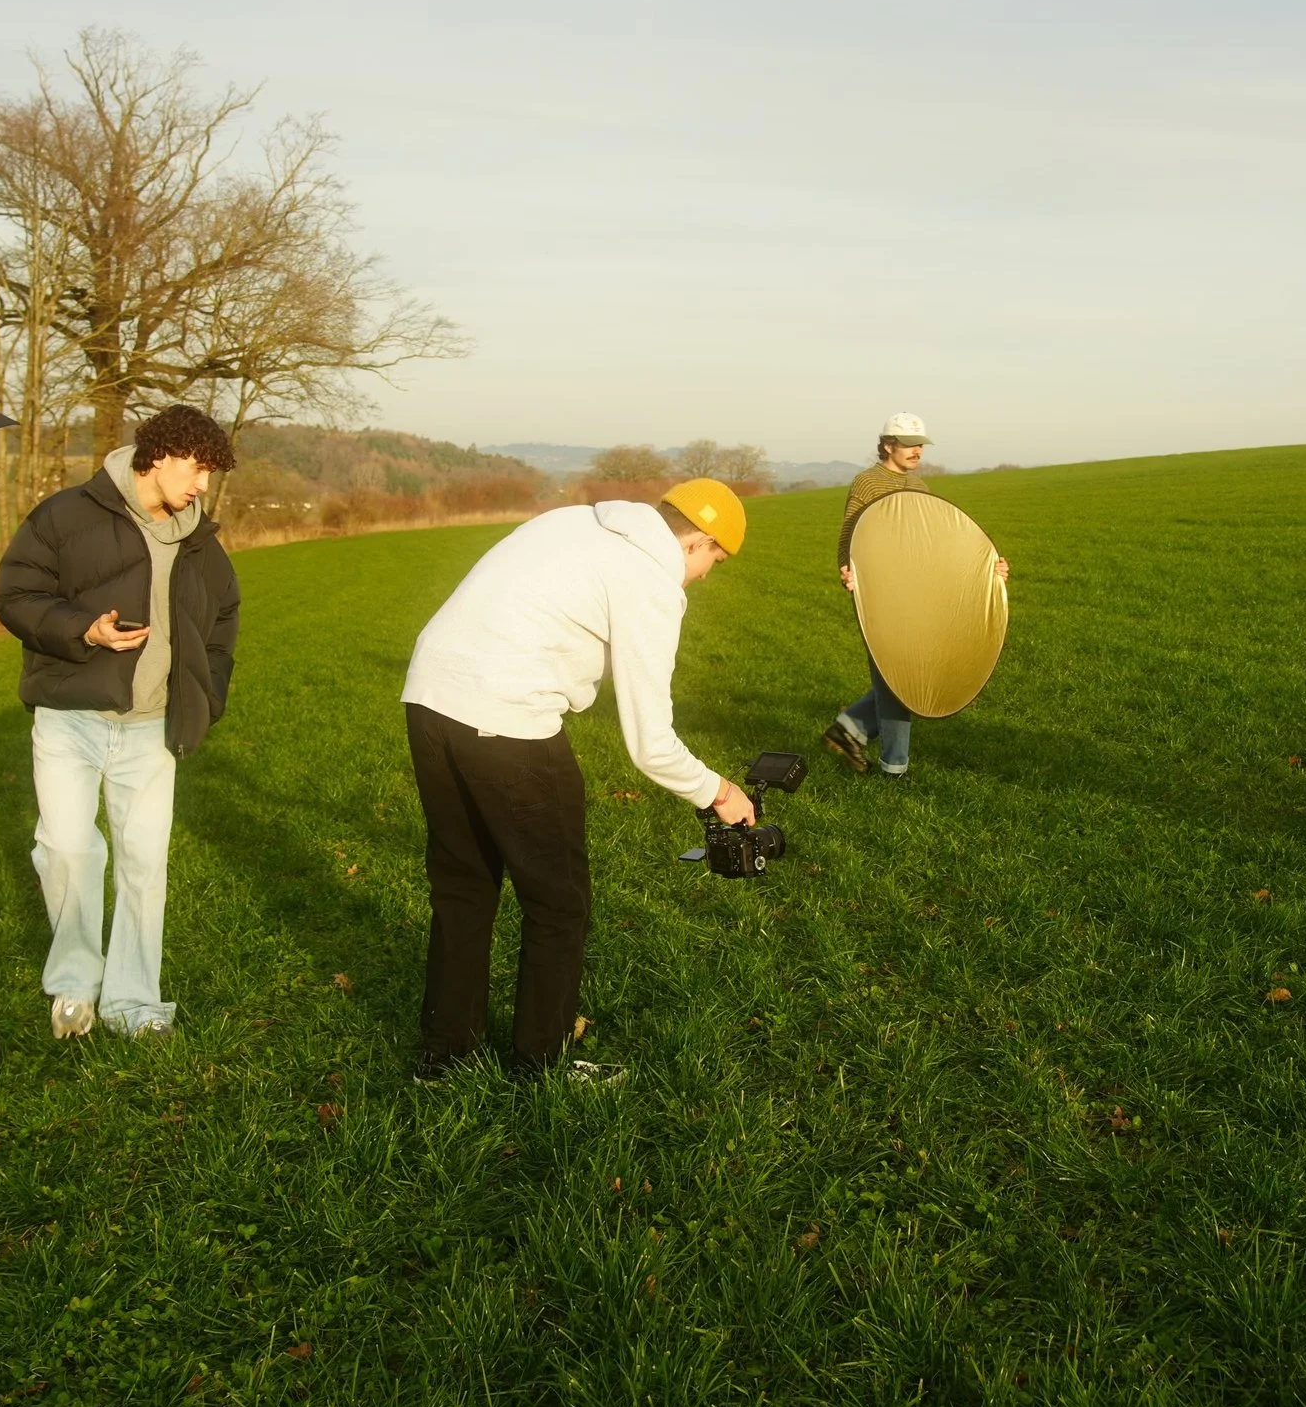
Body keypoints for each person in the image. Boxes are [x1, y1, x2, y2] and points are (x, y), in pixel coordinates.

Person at [400, 479, 756, 1082]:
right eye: (713, 562)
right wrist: (719, 792)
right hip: (509, 719)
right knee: (559, 901)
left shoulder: (577, 520)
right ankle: (540, 1064)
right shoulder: (650, 579)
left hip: (428, 699)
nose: (704, 576)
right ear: (697, 540)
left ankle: (444, 1057)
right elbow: (650, 742)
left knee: (464, 885)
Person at [0, 405, 241, 1042]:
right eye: (197, 469)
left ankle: (133, 1003)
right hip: (69, 718)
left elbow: (223, 621)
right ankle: (75, 985)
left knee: (143, 864)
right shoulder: (64, 515)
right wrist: (83, 629)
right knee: (66, 850)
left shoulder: (199, 539)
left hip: (152, 727)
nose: (203, 485)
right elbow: (15, 596)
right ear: (159, 456)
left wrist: (205, 697)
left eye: (210, 474)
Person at [823, 413, 1007, 777]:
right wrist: (848, 571)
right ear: (888, 445)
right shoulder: (868, 483)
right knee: (897, 678)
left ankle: (848, 730)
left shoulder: (919, 486)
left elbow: (934, 545)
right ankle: (894, 767)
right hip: (880, 593)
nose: (917, 451)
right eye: (909, 445)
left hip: (914, 594)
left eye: (920, 444)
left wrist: (988, 569)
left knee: (906, 671)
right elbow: (850, 535)